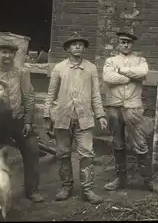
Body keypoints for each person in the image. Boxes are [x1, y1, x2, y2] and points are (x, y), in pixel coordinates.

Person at [43, 32, 107, 204]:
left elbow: (96, 95)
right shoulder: (59, 68)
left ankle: (88, 189)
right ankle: (66, 186)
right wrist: (47, 116)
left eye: (81, 44)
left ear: (84, 48)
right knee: (63, 153)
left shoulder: (91, 68)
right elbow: (50, 94)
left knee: (87, 153)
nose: (78, 46)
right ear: (67, 48)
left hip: (84, 118)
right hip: (62, 118)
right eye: (74, 44)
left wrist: (100, 114)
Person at [0, 39, 44, 203]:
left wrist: (28, 121)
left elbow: (28, 98)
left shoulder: (22, 73)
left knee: (32, 149)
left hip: (17, 120)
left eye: (10, 53)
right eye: (3, 52)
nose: (6, 55)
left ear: (15, 55)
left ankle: (32, 190)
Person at [102, 32, 158, 193]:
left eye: (128, 43)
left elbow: (143, 73)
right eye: (122, 42)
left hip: (133, 106)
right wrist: (128, 77)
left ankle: (148, 181)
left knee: (140, 141)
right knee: (117, 141)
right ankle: (120, 179)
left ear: (132, 44)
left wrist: (122, 71)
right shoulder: (110, 61)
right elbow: (108, 77)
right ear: (118, 44)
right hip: (114, 106)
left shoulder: (140, 60)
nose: (125, 45)